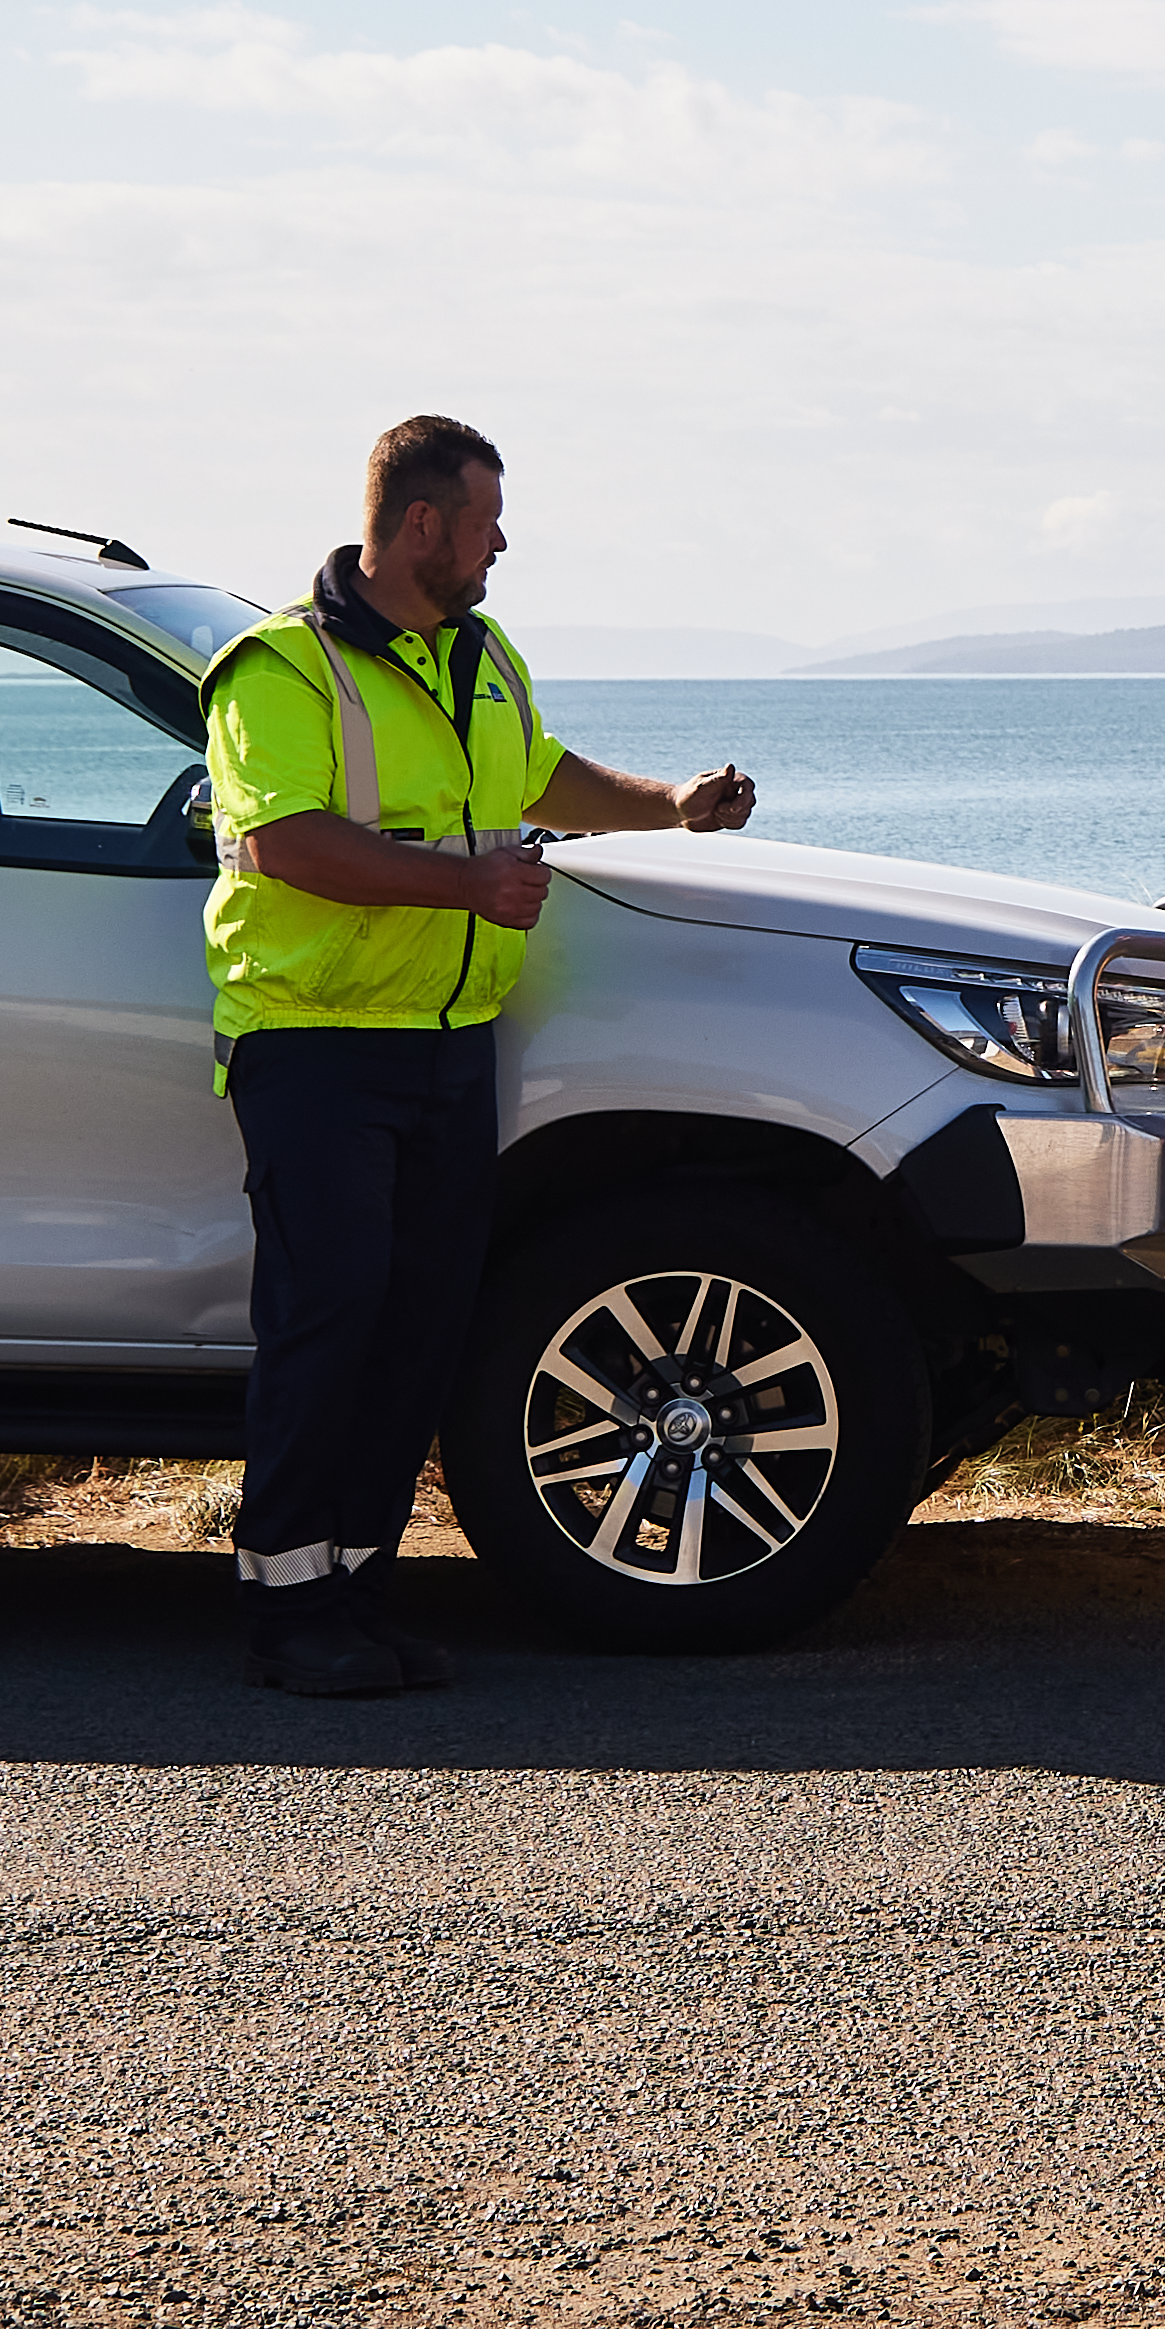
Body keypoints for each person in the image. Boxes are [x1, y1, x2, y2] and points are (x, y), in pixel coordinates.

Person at [207, 413, 756, 1698]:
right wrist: (465, 888)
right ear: (418, 525)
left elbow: (538, 774)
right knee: (329, 1319)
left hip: (451, 1047)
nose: (501, 540)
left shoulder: (479, 652)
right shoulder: (276, 672)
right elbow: (287, 843)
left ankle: (355, 1592)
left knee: (417, 1332)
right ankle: (285, 1613)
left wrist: (667, 805)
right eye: (485, 517)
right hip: (317, 1047)